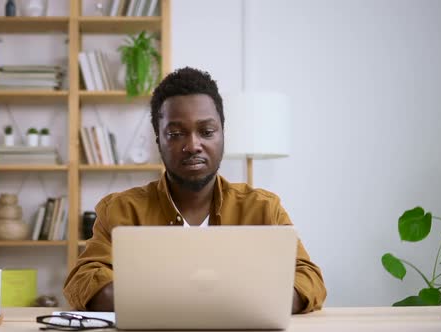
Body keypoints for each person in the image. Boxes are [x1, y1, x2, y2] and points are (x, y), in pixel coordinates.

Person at [63, 67, 327, 314]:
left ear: (222, 134)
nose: (193, 145)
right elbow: (82, 279)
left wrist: (247, 303)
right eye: (176, 133)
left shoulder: (262, 208)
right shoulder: (121, 209)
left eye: (206, 131)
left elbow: (309, 278)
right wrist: (170, 304)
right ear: (159, 140)